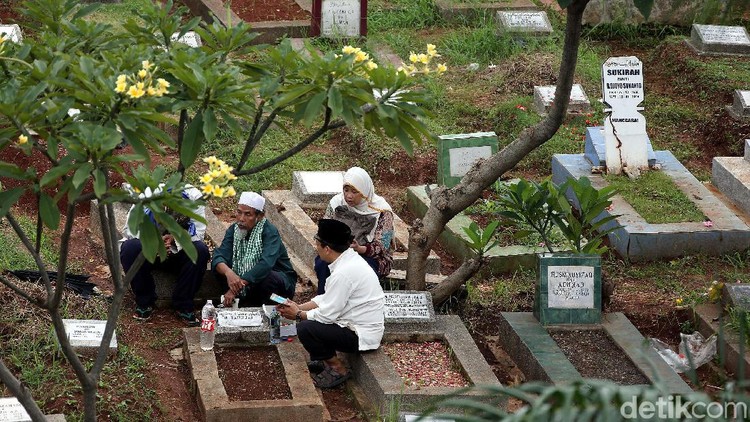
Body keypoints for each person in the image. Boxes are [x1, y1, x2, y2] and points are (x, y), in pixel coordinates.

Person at [278, 219, 385, 389]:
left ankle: (338, 368)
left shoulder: (344, 273)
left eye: (318, 245)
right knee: (309, 322)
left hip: (360, 335)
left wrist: (298, 314)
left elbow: (326, 315)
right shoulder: (347, 261)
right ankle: (323, 361)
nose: (316, 248)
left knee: (305, 328)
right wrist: (299, 307)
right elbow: (326, 298)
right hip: (353, 324)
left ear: (327, 249)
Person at [120, 185, 209, 326]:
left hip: (177, 251)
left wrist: (175, 239)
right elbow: (130, 230)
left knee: (200, 250)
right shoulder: (146, 195)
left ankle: (183, 304)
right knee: (130, 248)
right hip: (150, 251)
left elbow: (198, 233)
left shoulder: (194, 199)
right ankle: (144, 301)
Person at [315, 167, 394, 294]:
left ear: (364, 191)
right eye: (346, 190)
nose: (348, 196)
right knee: (322, 264)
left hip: (370, 255)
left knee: (354, 272)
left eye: (354, 192)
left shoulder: (381, 211)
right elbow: (324, 230)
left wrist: (359, 248)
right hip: (338, 250)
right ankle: (323, 303)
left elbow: (382, 247)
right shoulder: (337, 203)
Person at [212, 191, 297, 307]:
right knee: (221, 268)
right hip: (247, 283)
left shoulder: (269, 232)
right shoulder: (234, 230)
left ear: (260, 216)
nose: (241, 219)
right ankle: (243, 302)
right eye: (239, 212)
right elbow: (219, 255)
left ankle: (269, 310)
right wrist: (229, 273)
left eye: (248, 214)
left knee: (269, 278)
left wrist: (236, 287)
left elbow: (266, 264)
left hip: (278, 285)